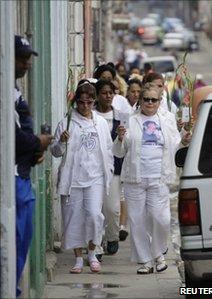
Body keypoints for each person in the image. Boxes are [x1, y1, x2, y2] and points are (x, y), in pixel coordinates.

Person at [113, 88, 181, 274]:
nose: (150, 103)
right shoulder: (130, 120)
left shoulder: (167, 120)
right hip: (134, 178)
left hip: (160, 177)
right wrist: (120, 138)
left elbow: (176, 144)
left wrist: (186, 139)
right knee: (137, 220)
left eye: (154, 100)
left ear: (160, 102)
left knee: (162, 218)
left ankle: (158, 253)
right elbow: (119, 152)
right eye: (146, 99)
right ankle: (145, 261)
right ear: (140, 101)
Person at [50, 82, 114, 274]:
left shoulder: (100, 123)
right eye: (81, 102)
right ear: (75, 102)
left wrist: (108, 172)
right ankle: (78, 258)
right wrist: (61, 141)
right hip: (73, 179)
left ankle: (92, 254)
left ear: (94, 102)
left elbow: (108, 150)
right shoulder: (66, 122)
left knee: (95, 215)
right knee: (73, 219)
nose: (85, 106)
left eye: (89, 102)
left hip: (95, 178)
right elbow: (55, 151)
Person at [15, 35, 53, 296]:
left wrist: (35, 152)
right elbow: (12, 137)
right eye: (22, 57)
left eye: (29, 57)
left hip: (24, 176)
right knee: (14, 242)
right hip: (14, 180)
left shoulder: (14, 91)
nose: (27, 63)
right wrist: (37, 141)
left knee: (22, 243)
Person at [94, 79, 124, 254]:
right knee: (95, 208)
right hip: (93, 168)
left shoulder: (120, 117)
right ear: (98, 95)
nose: (108, 96)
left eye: (110, 93)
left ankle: (112, 237)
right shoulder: (91, 115)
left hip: (114, 167)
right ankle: (96, 245)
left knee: (112, 208)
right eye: (104, 93)